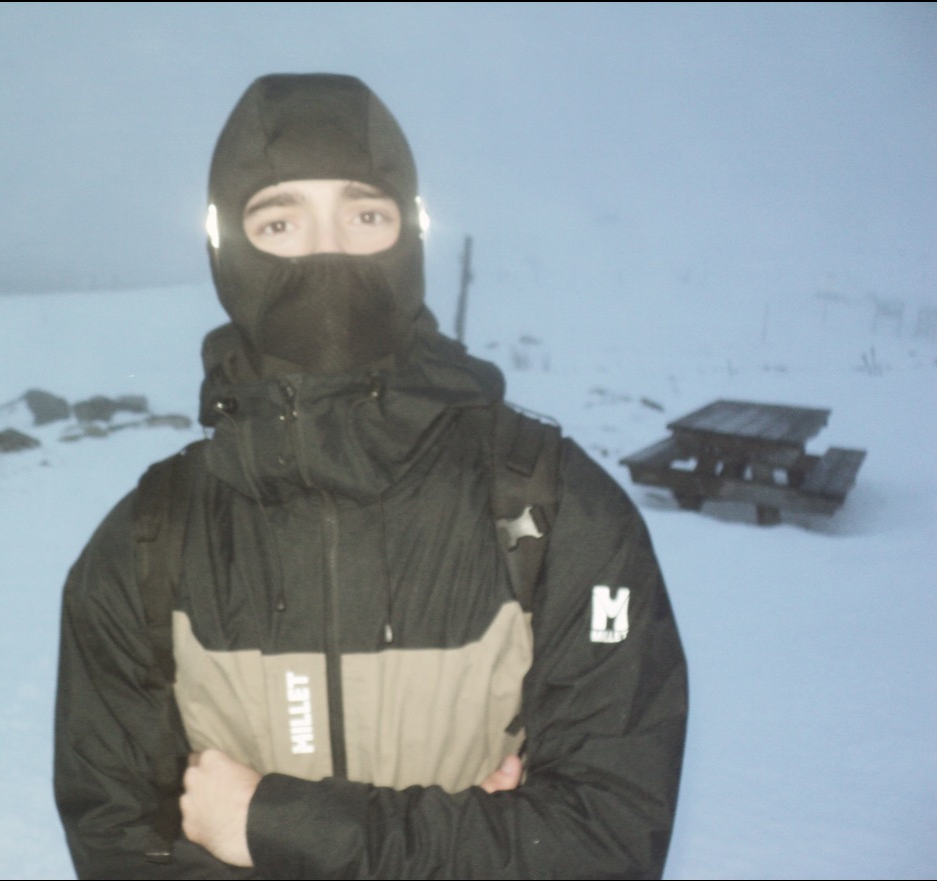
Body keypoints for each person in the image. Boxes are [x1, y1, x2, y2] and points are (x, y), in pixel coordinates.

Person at [54, 73, 688, 880]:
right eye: (279, 221)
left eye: (364, 215)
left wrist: (270, 823)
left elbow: (606, 842)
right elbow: (120, 845)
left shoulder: (553, 511)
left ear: (411, 233)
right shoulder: (148, 542)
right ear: (224, 244)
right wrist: (484, 841)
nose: (328, 252)